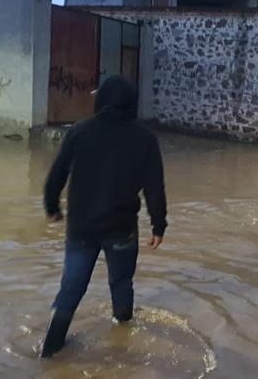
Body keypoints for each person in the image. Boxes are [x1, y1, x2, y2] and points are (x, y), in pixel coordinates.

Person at [40, 75, 168, 358]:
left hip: (81, 227)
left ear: (102, 101)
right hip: (121, 228)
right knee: (121, 282)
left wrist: (52, 208)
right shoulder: (145, 139)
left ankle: (50, 349)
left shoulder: (79, 131)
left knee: (71, 288)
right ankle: (122, 339)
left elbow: (56, 175)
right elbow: (154, 188)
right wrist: (159, 225)